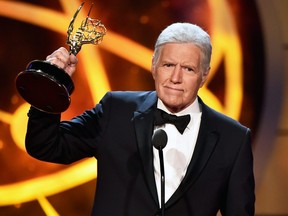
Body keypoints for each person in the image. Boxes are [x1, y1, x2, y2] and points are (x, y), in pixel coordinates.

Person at [25, 22, 255, 215]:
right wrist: (48, 85)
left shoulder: (233, 138)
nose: (175, 77)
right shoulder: (116, 110)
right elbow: (46, 145)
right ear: (154, 66)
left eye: (188, 69)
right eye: (168, 65)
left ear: (204, 75)